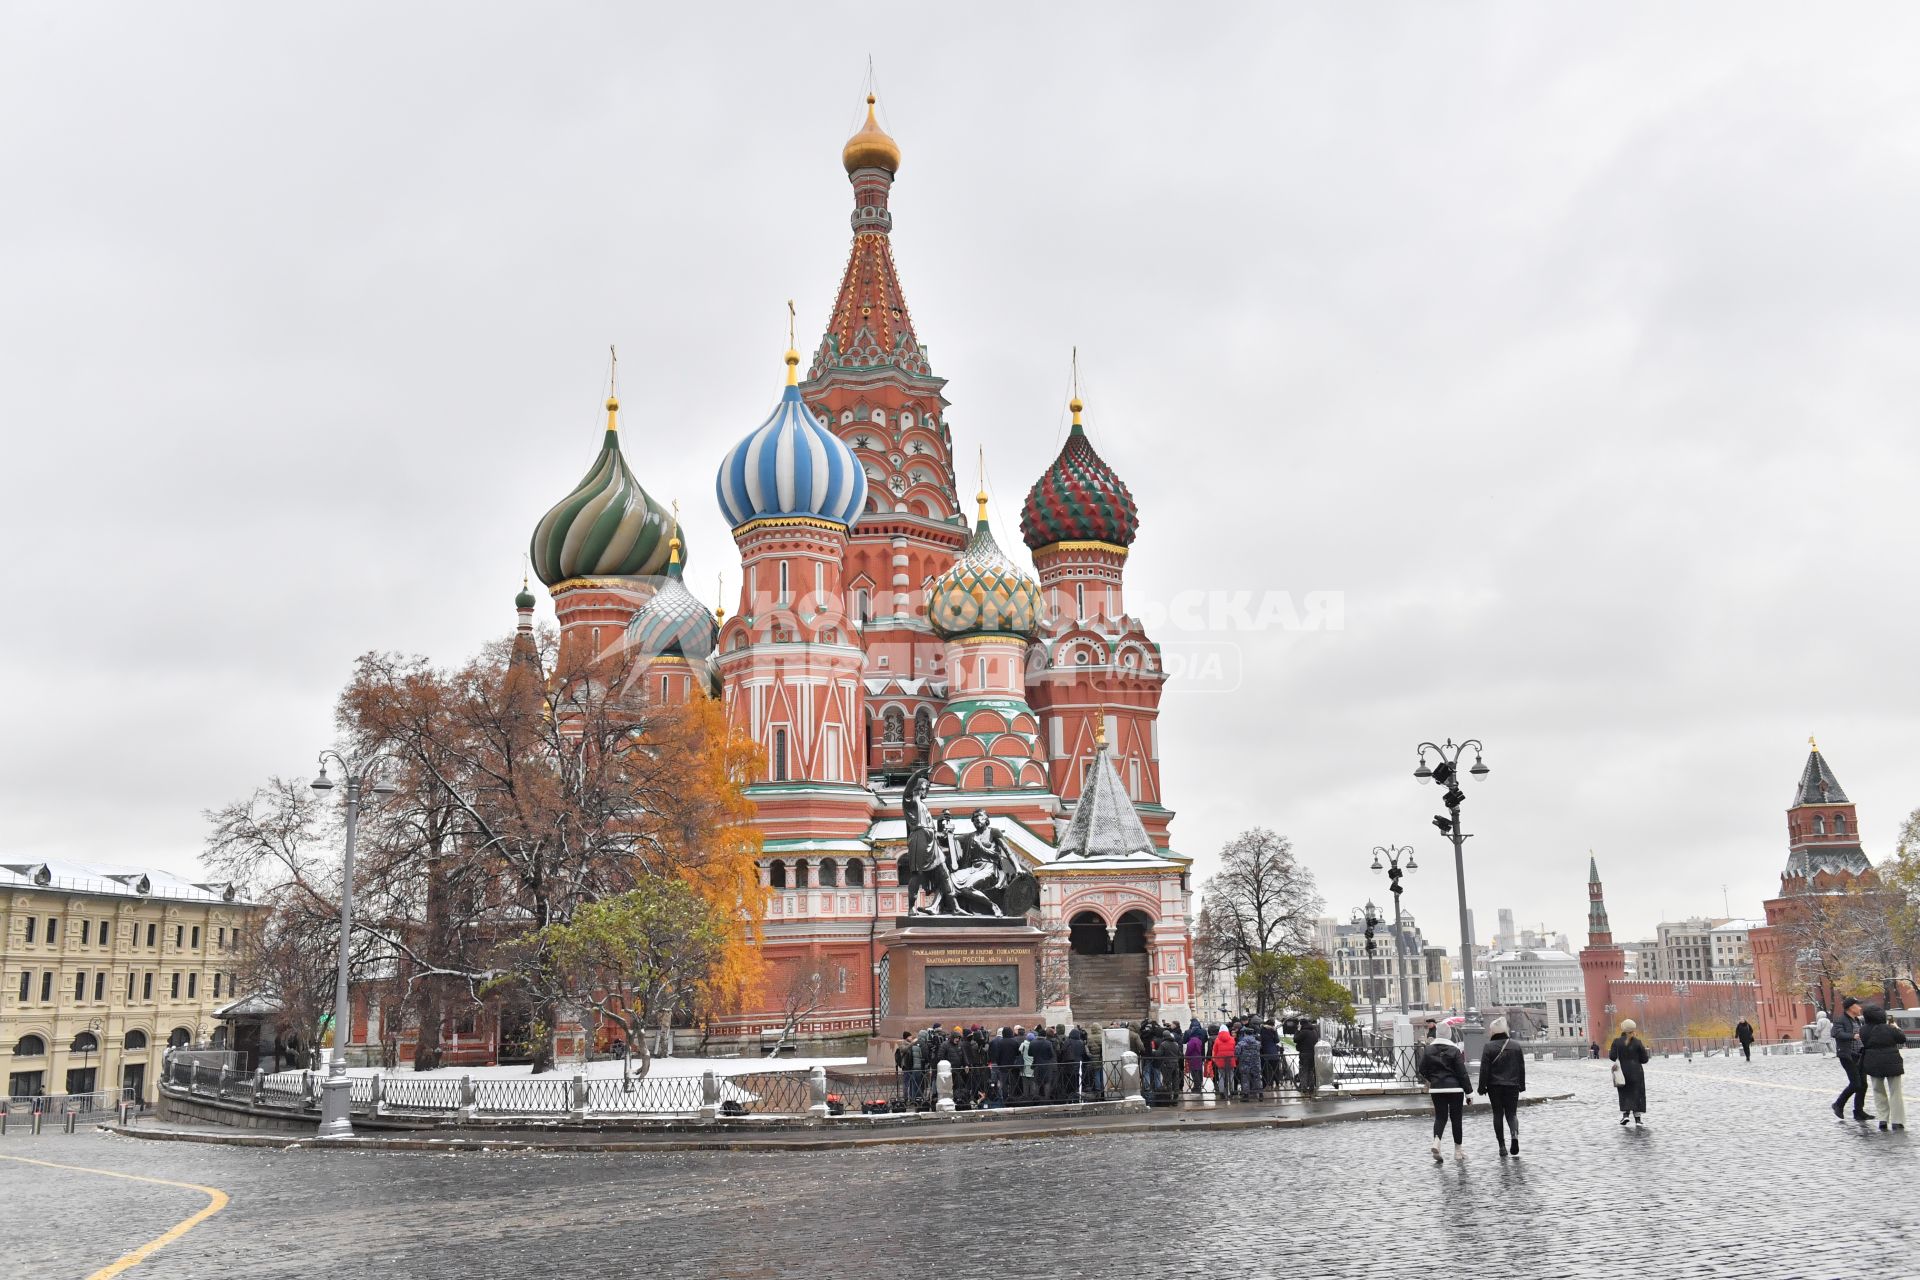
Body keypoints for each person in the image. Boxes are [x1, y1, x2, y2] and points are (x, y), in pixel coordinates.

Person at [1419, 1024, 1472, 1162]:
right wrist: (1469, 1093)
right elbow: (1462, 1073)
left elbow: (1422, 1069)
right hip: (1455, 1089)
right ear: (1449, 1035)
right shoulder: (1455, 1050)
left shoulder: (1429, 1050)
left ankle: (1437, 1141)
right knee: (1456, 1119)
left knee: (1440, 1117)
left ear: (1437, 1034)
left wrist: (1433, 1079)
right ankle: (1458, 1151)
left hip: (1437, 1089)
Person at [1477, 1015, 1527, 1157]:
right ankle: (1514, 1137)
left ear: (1493, 1031)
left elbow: (1484, 1069)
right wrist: (1521, 1085)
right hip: (1512, 1085)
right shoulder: (1515, 1046)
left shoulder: (1488, 1047)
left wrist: (1481, 1088)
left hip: (1494, 1086)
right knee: (1512, 1114)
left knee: (1498, 1114)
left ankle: (1502, 1146)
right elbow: (1521, 1067)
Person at [1859, 1004, 1907, 1132]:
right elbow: (1902, 1039)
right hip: (1892, 1062)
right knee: (1895, 1092)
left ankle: (1883, 1119)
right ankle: (1897, 1121)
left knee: (1878, 1091)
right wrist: (1896, 1028)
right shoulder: (1890, 1028)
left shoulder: (1863, 1030)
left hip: (1873, 1062)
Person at [1831, 998, 1873, 1121]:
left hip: (1860, 1055)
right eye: (1857, 1005)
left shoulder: (1858, 1020)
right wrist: (1852, 1036)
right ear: (1851, 1008)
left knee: (1863, 1085)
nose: (1860, 1008)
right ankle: (1838, 1104)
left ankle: (1858, 1111)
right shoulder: (1840, 1020)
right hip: (1847, 1055)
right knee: (1855, 1083)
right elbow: (1836, 1033)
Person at [1609, 1019, 1650, 1126]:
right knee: (1637, 1094)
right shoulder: (1638, 1042)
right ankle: (1638, 1120)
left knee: (1625, 1093)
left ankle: (1625, 1115)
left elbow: (1612, 1057)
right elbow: (1645, 1059)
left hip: (1622, 1072)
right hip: (1637, 1072)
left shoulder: (1617, 1042)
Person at [1294, 1017, 1321, 1096]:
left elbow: (1295, 1039)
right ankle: (1311, 1087)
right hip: (1313, 1054)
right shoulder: (1314, 1031)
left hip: (1304, 1054)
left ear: (1301, 1024)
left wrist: (1297, 1030)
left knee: (1303, 1071)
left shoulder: (1303, 1032)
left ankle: (1304, 1088)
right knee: (1310, 1071)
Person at [1212, 1023, 1238, 1101]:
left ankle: (1222, 1093)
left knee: (1221, 1077)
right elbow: (1234, 1050)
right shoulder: (1232, 1039)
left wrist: (1215, 1059)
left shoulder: (1217, 1040)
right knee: (1231, 1076)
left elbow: (1215, 1051)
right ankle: (1232, 1091)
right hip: (1230, 1060)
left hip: (1220, 1061)